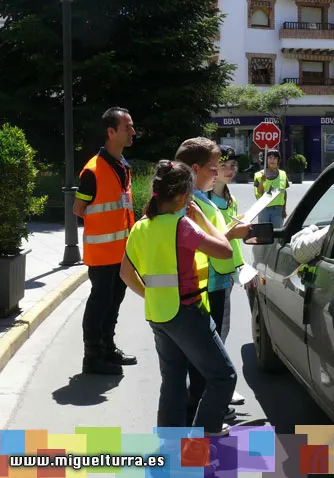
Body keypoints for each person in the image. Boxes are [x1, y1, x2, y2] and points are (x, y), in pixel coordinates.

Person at [120, 160, 237, 436]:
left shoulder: (141, 227)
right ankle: (204, 436)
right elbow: (224, 251)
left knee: (171, 382)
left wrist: (151, 295)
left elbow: (125, 273)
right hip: (187, 313)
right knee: (223, 376)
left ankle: (170, 449)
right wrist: (204, 219)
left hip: (159, 314)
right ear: (185, 197)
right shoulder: (182, 226)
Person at [173, 137, 251, 427]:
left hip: (210, 287)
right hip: (203, 290)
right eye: (214, 168)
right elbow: (210, 245)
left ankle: (198, 420)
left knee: (194, 367)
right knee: (212, 367)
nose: (218, 173)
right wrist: (230, 236)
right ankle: (207, 423)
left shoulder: (198, 200)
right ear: (195, 169)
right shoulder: (188, 204)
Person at [73, 106, 137, 375]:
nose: (133, 131)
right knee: (100, 302)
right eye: (127, 127)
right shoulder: (93, 170)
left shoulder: (122, 165)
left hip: (121, 253)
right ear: (111, 132)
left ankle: (108, 348)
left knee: (114, 301)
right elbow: (79, 209)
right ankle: (92, 357)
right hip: (101, 254)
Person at [208, 145, 247, 406]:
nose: (230, 170)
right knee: (215, 335)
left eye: (233, 165)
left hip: (226, 274)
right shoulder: (205, 201)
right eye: (224, 165)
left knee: (221, 331)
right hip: (210, 276)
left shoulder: (229, 198)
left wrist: (241, 267)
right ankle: (217, 389)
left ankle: (215, 387)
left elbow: (232, 242)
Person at [253, 149, 289, 228]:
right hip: (263, 209)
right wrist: (262, 181)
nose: (272, 160)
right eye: (270, 157)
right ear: (266, 159)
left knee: (277, 235)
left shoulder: (283, 174)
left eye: (275, 158)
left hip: (278, 210)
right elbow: (259, 193)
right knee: (264, 234)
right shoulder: (259, 175)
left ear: (278, 160)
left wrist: (284, 209)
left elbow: (284, 192)